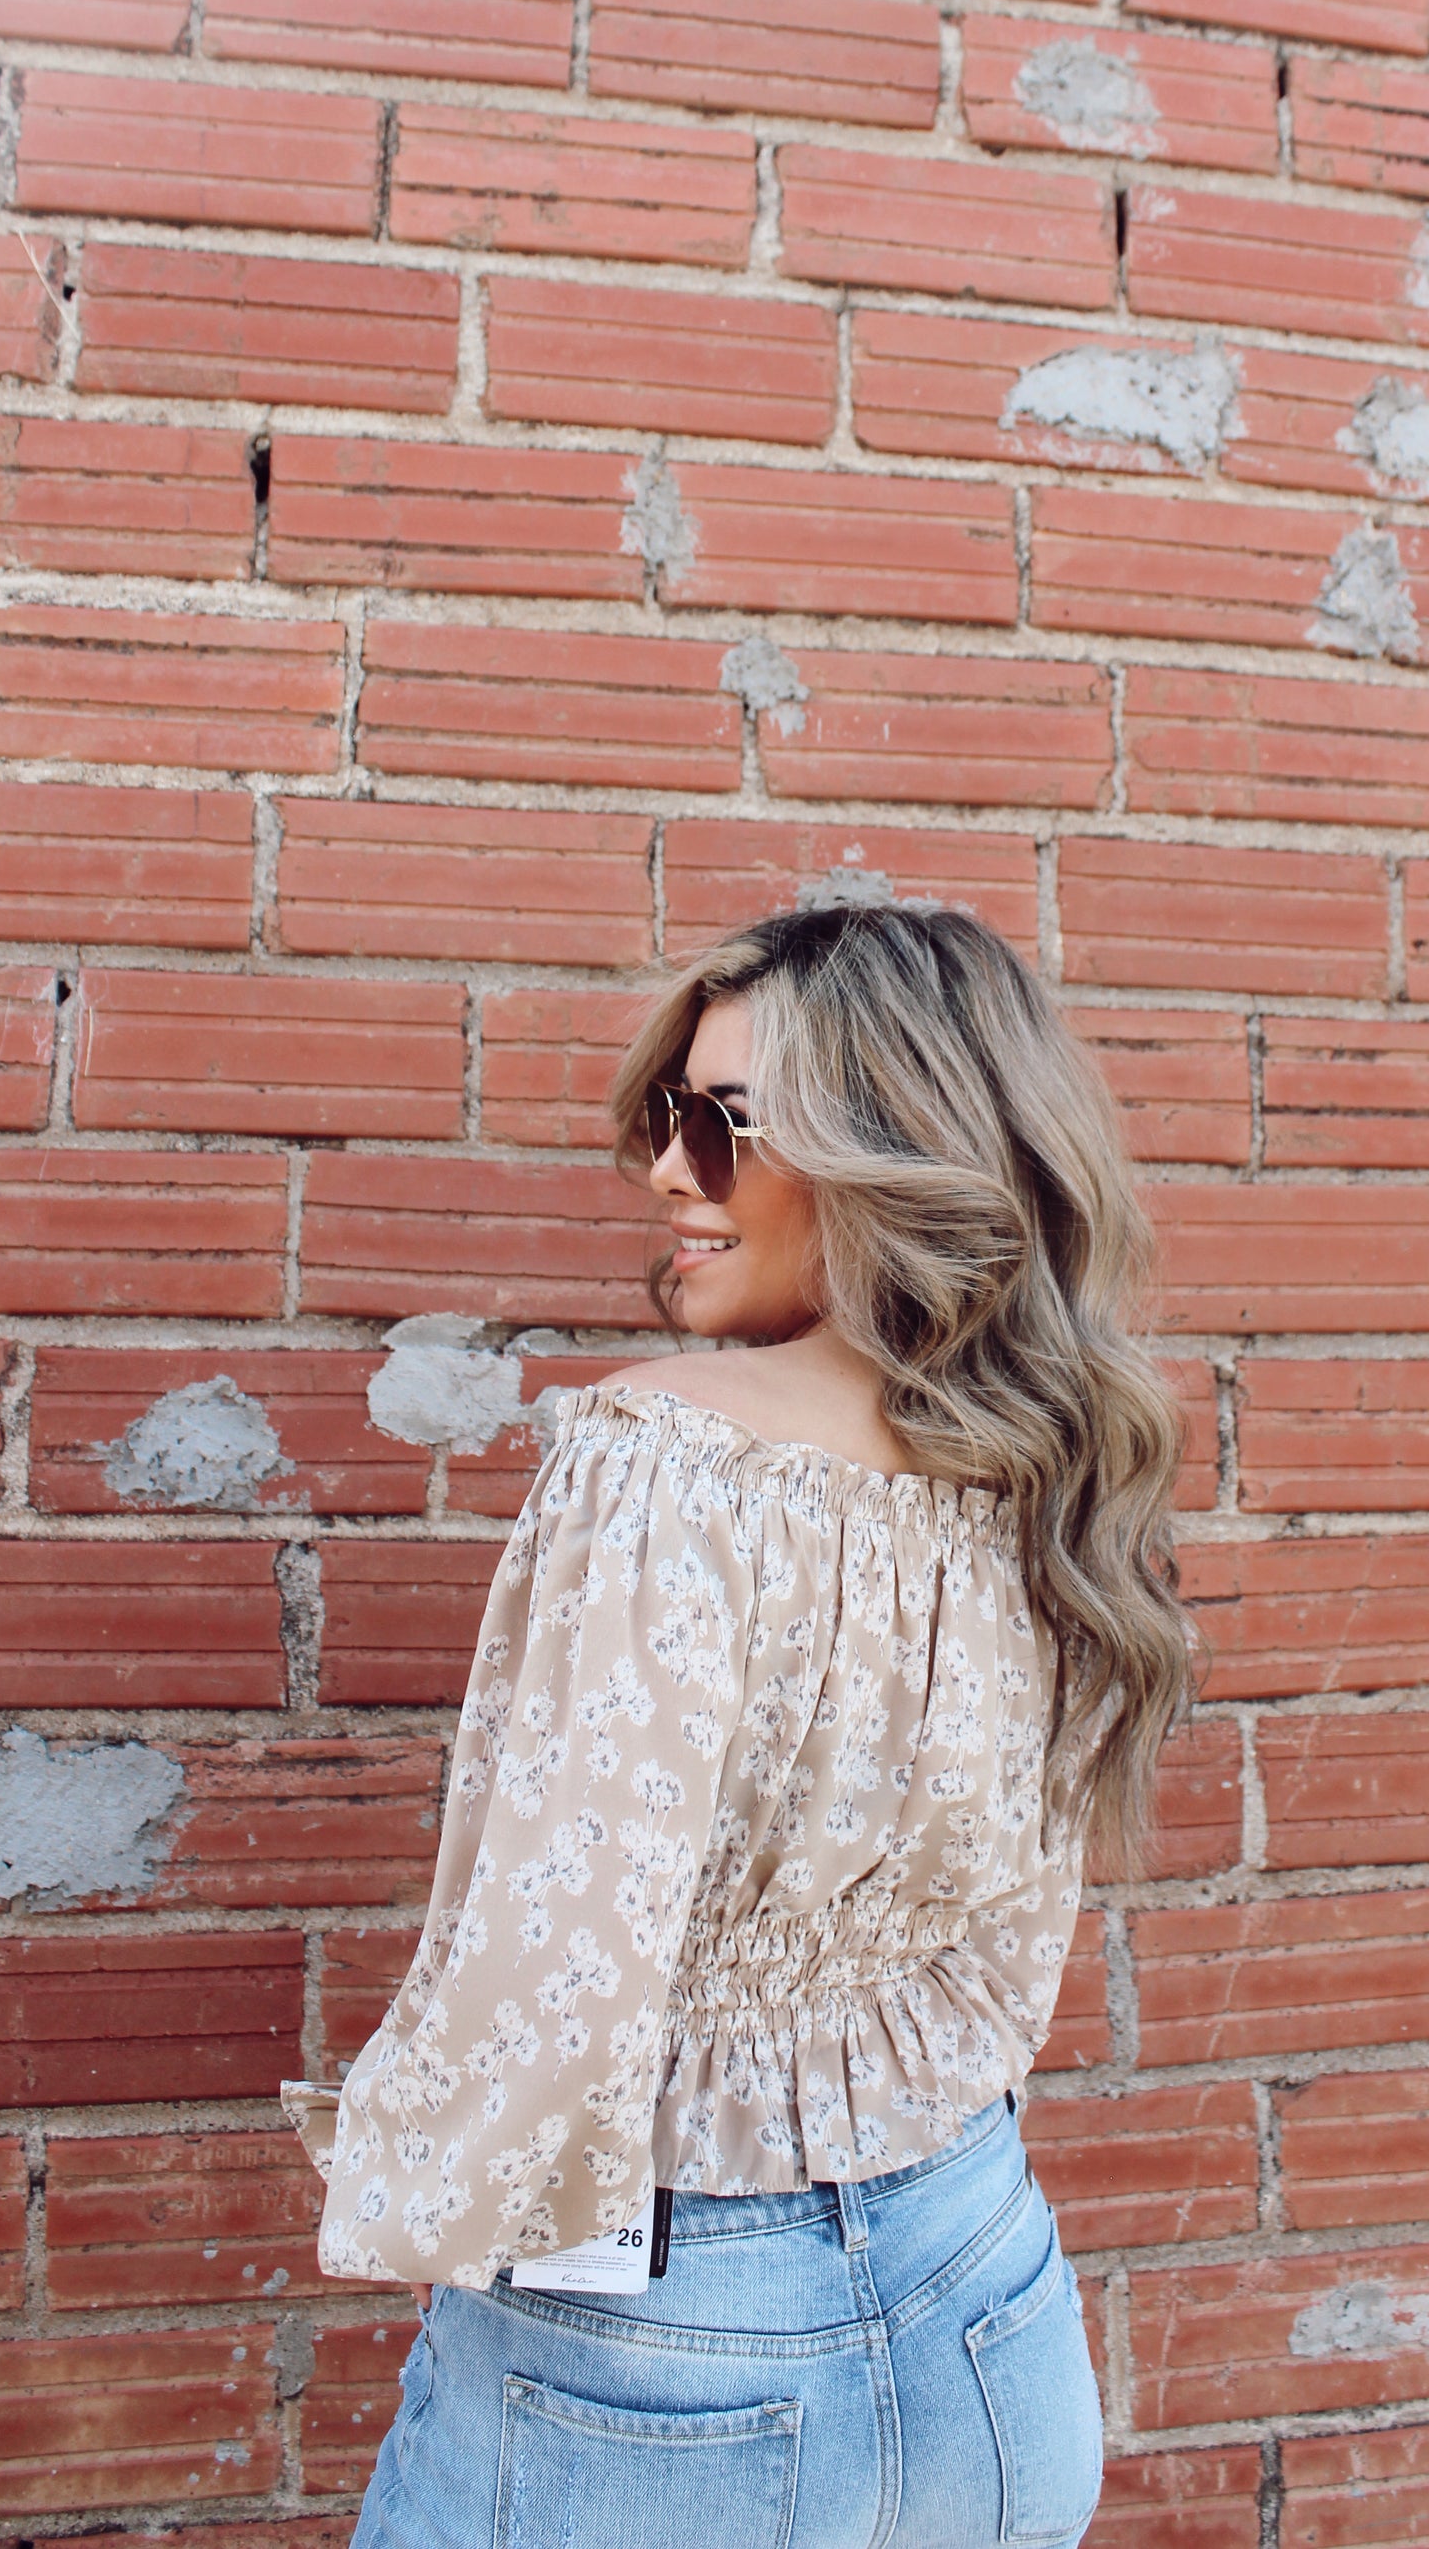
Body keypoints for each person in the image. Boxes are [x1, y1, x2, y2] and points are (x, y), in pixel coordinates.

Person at [285, 901, 1192, 2549]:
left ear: (890, 1151)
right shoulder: (1046, 1472)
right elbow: (1013, 1943)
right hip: (989, 2307)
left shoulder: (661, 1453)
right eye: (667, 1117)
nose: (666, 1170)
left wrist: (426, 2178)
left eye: (728, 1123)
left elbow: (556, 1955)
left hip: (665, 2344)